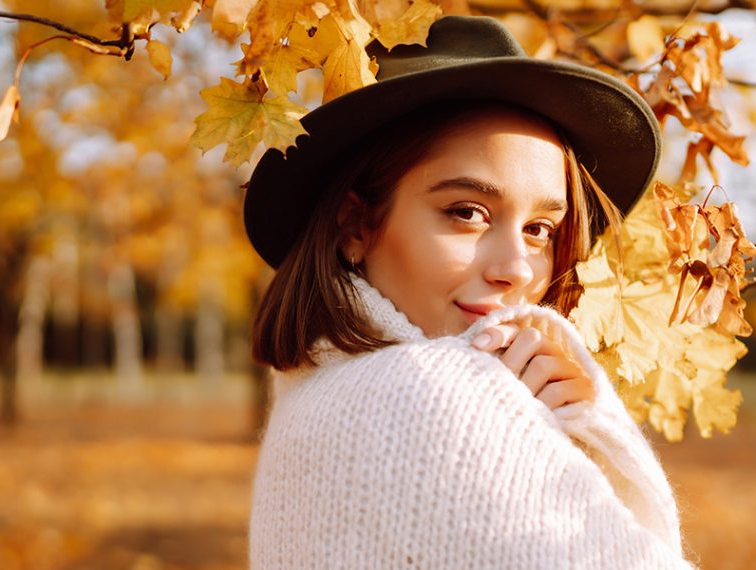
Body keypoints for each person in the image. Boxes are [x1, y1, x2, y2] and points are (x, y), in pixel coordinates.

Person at [243, 15, 693, 569]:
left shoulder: (313, 396)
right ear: (355, 225)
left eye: (540, 230)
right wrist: (597, 435)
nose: (517, 270)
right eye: (467, 213)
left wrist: (577, 425)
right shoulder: (442, 398)